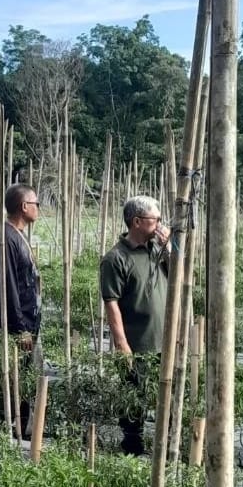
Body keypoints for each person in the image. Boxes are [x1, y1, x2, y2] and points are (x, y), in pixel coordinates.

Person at [99, 195, 171, 456]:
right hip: (137, 343)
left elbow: (182, 277)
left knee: (167, 399)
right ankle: (132, 451)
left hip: (165, 341)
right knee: (134, 402)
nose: (160, 225)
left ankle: (165, 448)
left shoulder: (158, 249)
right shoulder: (115, 258)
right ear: (138, 222)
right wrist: (121, 344)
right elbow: (111, 303)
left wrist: (170, 248)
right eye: (156, 220)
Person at [0, 183, 42, 351]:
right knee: (13, 374)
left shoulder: (17, 234)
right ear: (25, 206)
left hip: (28, 321)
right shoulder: (5, 240)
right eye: (36, 204)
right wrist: (20, 329)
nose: (38, 208)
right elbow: (8, 287)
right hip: (14, 330)